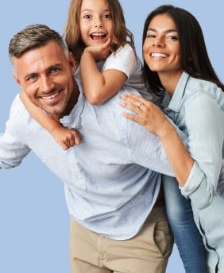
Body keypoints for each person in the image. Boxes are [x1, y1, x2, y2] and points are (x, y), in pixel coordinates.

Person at [0, 24, 189, 273]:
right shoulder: (24, 115)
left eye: (54, 70)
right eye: (32, 77)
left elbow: (197, 167)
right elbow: (4, 157)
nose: (46, 87)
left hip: (138, 233)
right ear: (18, 81)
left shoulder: (123, 116)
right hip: (83, 231)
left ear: (70, 63)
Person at [120, 5, 224, 273]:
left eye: (172, 37)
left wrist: (164, 130)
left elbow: (202, 195)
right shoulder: (166, 100)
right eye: (151, 35)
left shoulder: (200, 101)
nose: (158, 43)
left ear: (189, 47)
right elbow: (179, 212)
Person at [20, 0, 153, 150]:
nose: (98, 24)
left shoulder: (123, 52)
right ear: (76, 22)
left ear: (116, 21)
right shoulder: (69, 53)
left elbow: (96, 96)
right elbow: (25, 96)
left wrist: (88, 56)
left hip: (147, 123)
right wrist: (55, 130)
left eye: (106, 16)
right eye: (88, 16)